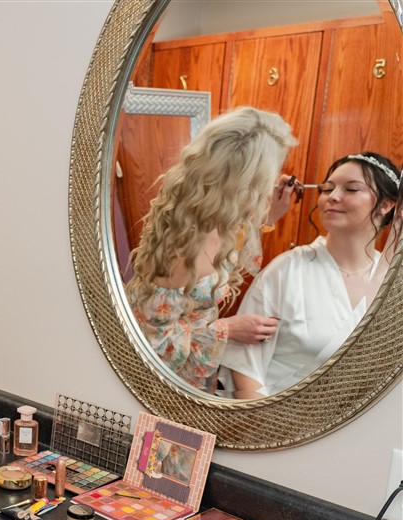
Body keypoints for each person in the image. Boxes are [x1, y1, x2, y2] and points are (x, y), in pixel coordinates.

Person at [125, 106, 298, 391]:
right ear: (249, 180)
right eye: (269, 174)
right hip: (158, 386)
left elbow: (236, 253)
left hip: (189, 379)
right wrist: (227, 330)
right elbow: (154, 348)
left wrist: (269, 216)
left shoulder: (219, 219)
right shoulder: (184, 245)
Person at [222, 152, 400, 398]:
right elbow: (244, 369)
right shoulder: (286, 270)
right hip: (276, 425)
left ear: (386, 205)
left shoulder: (394, 282)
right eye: (327, 189)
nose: (332, 197)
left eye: (351, 189)